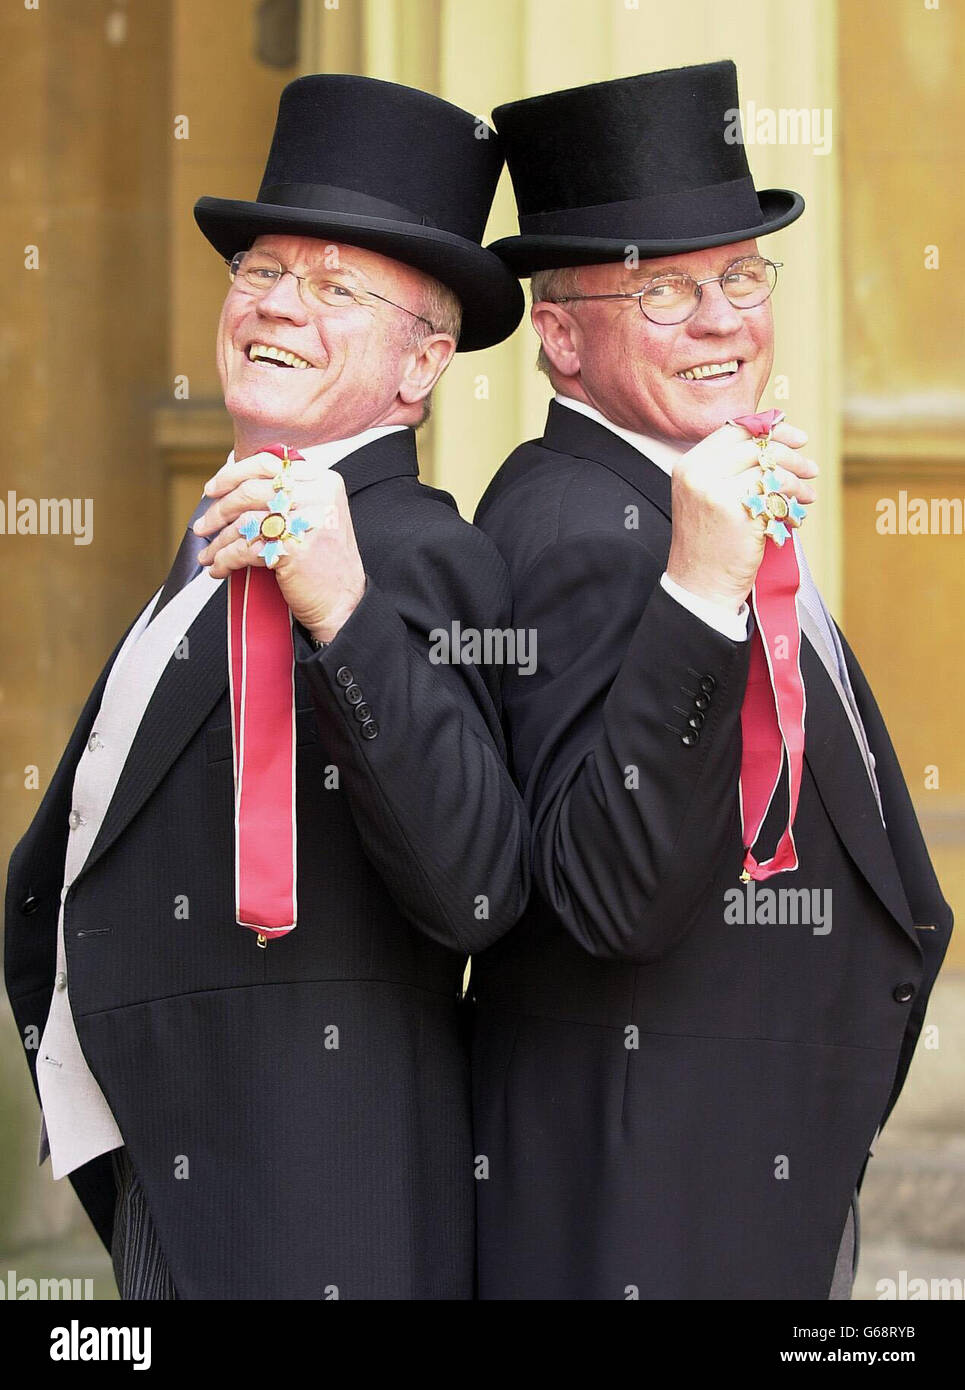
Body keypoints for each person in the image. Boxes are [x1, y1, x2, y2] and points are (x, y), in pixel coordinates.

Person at [5, 74, 529, 1300]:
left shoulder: (416, 550)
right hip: (170, 1186)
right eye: (262, 269)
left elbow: (480, 880)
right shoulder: (214, 532)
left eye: (338, 286)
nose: (277, 305)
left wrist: (341, 611)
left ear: (422, 366)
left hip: (321, 1216)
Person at [470, 60, 952, 1300]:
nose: (724, 320)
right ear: (561, 336)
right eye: (665, 291)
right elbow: (609, 891)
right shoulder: (584, 525)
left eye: (740, 276)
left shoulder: (687, 484)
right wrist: (695, 587)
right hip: (645, 1215)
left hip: (733, 1185)